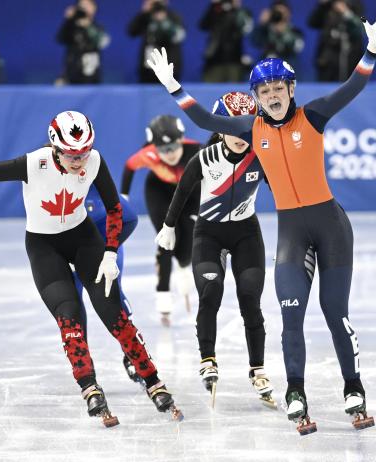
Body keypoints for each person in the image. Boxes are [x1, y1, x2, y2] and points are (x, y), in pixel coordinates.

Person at [146, 7, 376, 434]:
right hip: (292, 233)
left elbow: (353, 86)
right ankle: (295, 390)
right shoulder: (249, 129)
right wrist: (174, 87)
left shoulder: (312, 115)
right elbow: (205, 120)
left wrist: (371, 48)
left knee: (335, 312)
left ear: (291, 89)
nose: (273, 96)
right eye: (264, 91)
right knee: (291, 313)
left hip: (331, 227)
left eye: (279, 88)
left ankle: (353, 387)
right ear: (256, 97)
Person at [0, 111, 182, 426]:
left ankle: (152, 380)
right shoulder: (35, 163)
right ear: (57, 149)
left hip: (83, 238)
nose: (80, 161)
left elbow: (116, 209)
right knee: (68, 314)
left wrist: (111, 253)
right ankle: (89, 385)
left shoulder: (95, 161)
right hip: (45, 247)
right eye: (73, 155)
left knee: (114, 312)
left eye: (84, 152)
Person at [155, 92, 276, 408]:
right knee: (211, 291)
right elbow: (181, 195)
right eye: (232, 129)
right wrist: (168, 227)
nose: (240, 136)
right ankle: (208, 359)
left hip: (247, 234)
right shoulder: (204, 159)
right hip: (208, 233)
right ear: (220, 128)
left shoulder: (262, 157)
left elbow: (283, 192)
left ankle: (258, 368)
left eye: (246, 128)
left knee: (250, 298)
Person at [121, 115, 201, 326]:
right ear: (153, 147)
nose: (170, 154)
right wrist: (124, 198)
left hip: (191, 193)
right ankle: (163, 292)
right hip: (159, 191)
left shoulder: (198, 151)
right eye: (163, 150)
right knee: (167, 240)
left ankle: (184, 265)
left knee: (186, 244)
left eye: (174, 146)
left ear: (182, 140)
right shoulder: (147, 155)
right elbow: (129, 167)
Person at [72, 186, 145, 386]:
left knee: (113, 296)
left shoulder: (94, 181)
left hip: (104, 247)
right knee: (71, 303)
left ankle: (133, 353)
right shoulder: (46, 181)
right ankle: (83, 362)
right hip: (68, 250)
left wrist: (108, 250)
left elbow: (130, 218)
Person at [127, 0, 185, 83]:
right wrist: (143, 13)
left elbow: (179, 36)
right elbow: (131, 31)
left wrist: (165, 22)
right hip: (148, 68)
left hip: (170, 66)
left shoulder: (173, 16)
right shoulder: (145, 17)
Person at [308, 0, 365, 82]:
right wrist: (321, 5)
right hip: (328, 61)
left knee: (348, 88)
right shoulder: (327, 6)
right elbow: (312, 23)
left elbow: (361, 29)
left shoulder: (355, 4)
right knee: (325, 90)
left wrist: (346, 12)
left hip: (351, 58)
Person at [199, 0, 254, 82]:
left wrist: (236, 9)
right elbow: (203, 25)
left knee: (235, 91)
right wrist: (213, 6)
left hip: (234, 60)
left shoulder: (241, 12)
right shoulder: (216, 9)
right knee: (211, 90)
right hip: (214, 60)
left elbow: (245, 28)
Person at [56, 0, 110, 84]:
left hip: (91, 77)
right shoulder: (71, 27)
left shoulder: (98, 27)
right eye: (82, 6)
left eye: (88, 5)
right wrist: (68, 20)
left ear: (94, 8)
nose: (85, 8)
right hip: (71, 75)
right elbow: (60, 39)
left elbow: (103, 42)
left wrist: (88, 26)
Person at [251, 0, 305, 68]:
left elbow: (296, 48)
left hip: (288, 71)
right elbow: (254, 42)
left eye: (283, 13)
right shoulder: (264, 31)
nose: (280, 16)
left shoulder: (296, 32)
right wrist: (261, 25)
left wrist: (284, 33)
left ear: (289, 14)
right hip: (266, 71)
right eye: (277, 12)